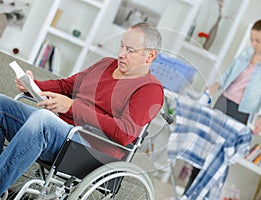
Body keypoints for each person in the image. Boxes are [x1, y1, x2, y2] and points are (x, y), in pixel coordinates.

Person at [0, 22, 164, 195]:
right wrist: (32, 84)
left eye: (130, 50)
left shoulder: (150, 89)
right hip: (63, 132)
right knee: (2, 103)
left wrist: (72, 107)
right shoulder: (106, 64)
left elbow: (125, 133)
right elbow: (66, 86)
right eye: (121, 46)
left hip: (91, 149)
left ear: (150, 56)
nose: (121, 54)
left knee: (43, 119)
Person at [184, 18, 261, 194]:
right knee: (203, 151)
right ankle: (188, 194)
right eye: (252, 39)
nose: (253, 44)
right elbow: (228, 75)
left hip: (241, 113)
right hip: (223, 102)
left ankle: (207, 196)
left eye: (257, 40)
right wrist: (214, 87)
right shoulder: (246, 53)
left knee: (222, 158)